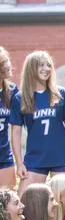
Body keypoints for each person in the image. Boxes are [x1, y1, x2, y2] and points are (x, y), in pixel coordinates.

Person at [9, 51, 65, 194]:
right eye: (41, 65)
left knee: (64, 201)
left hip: (61, 157)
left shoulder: (61, 93)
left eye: (49, 65)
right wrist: (19, 163)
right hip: (35, 158)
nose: (46, 69)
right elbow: (15, 133)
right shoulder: (20, 98)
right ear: (31, 68)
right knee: (24, 199)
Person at [0, 47, 18, 187]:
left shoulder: (12, 90)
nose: (7, 66)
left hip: (4, 156)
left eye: (7, 61)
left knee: (8, 197)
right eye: (2, 64)